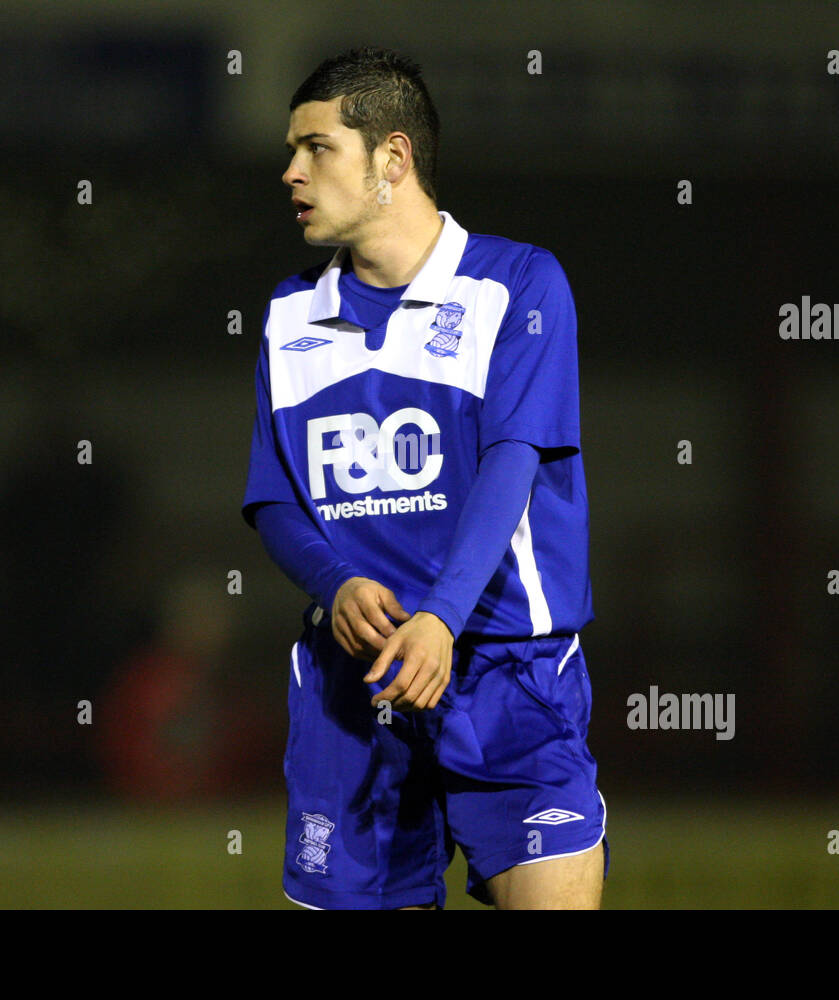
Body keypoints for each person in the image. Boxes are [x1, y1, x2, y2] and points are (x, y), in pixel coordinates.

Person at [241, 47, 606, 910]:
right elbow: (273, 498)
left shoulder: (517, 283)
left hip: (506, 670)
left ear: (391, 160)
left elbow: (511, 462)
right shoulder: (290, 315)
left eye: (316, 148)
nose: (290, 171)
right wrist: (335, 581)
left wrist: (441, 615)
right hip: (353, 688)